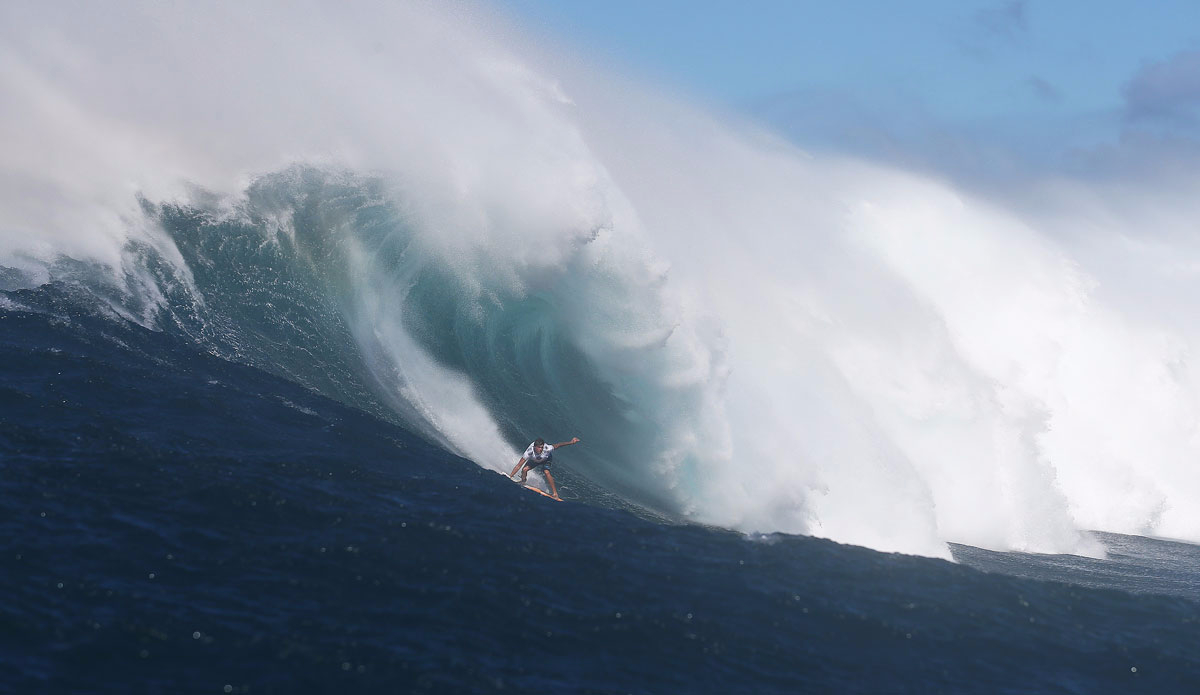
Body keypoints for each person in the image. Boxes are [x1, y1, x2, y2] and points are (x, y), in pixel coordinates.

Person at [509, 436, 580, 500]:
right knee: (524, 470)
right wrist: (510, 477)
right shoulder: (529, 452)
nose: (541, 449)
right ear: (535, 447)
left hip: (547, 459)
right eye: (539, 447)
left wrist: (571, 442)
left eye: (542, 447)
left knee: (546, 472)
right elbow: (518, 465)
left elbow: (558, 445)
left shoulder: (547, 448)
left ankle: (555, 494)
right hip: (535, 460)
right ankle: (523, 481)